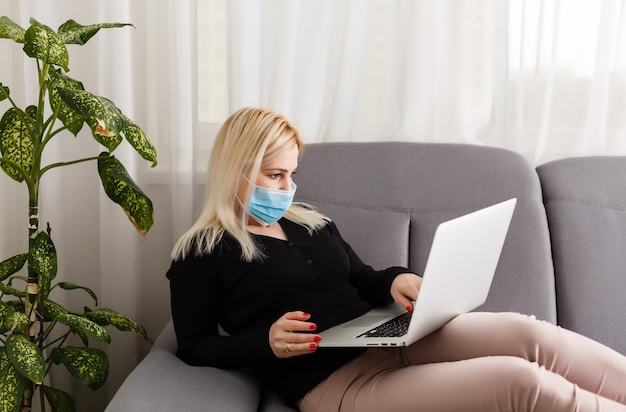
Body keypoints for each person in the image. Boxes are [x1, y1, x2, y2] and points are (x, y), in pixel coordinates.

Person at [167, 106, 626, 412]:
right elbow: (192, 345)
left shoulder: (310, 223)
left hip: (391, 335)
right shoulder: (201, 253)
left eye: (292, 175)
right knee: (519, 381)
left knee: (532, 333)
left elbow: (362, 276)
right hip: (338, 384)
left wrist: (395, 281)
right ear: (236, 170)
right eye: (275, 174)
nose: (287, 188)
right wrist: (263, 342)